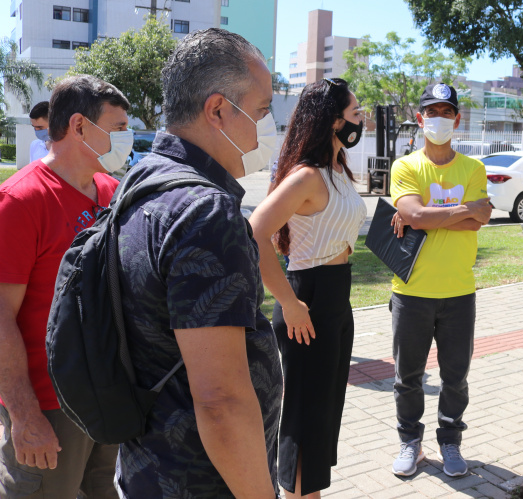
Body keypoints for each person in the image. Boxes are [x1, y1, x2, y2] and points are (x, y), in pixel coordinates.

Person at [112, 28, 283, 498]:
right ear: (218, 110)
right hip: (202, 482)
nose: (268, 125)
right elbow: (221, 402)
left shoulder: (143, 179)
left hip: (147, 466)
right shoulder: (205, 212)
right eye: (263, 110)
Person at [0, 76, 130, 498]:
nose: (125, 139)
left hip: (107, 395)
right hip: (49, 406)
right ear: (78, 126)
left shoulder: (112, 192)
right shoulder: (20, 201)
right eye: (118, 128)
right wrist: (24, 414)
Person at [249, 77, 367, 498]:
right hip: (308, 299)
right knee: (305, 420)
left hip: (336, 297)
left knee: (323, 418)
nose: (362, 120)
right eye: (355, 113)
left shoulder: (338, 170)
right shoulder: (307, 176)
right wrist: (288, 301)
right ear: (333, 121)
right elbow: (255, 233)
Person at [387, 82, 493, 478]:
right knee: (408, 378)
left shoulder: (473, 168)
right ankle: (410, 442)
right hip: (411, 292)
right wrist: (464, 209)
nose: (439, 119)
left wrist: (428, 217)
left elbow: (480, 221)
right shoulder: (405, 167)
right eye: (432, 112)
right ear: (420, 119)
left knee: (455, 378)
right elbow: (416, 215)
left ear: (457, 120)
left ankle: (450, 441)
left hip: (458, 293)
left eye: (447, 112)